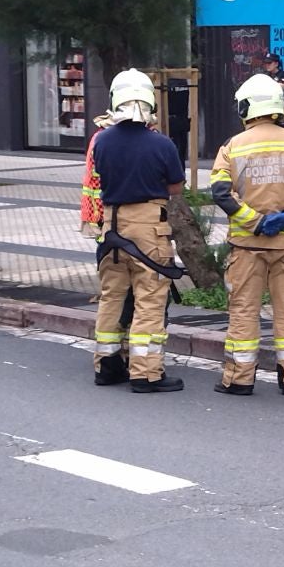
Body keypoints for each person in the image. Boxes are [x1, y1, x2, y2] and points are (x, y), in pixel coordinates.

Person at [210, 74, 284, 396]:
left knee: (244, 311)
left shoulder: (232, 147)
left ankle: (239, 379)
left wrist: (255, 223)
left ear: (247, 107)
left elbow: (221, 193)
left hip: (247, 247)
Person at [92, 69, 186, 393]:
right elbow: (175, 186)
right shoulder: (161, 143)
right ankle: (145, 373)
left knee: (111, 298)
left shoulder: (101, 141)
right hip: (148, 229)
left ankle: (106, 365)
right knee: (149, 300)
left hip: (111, 226)